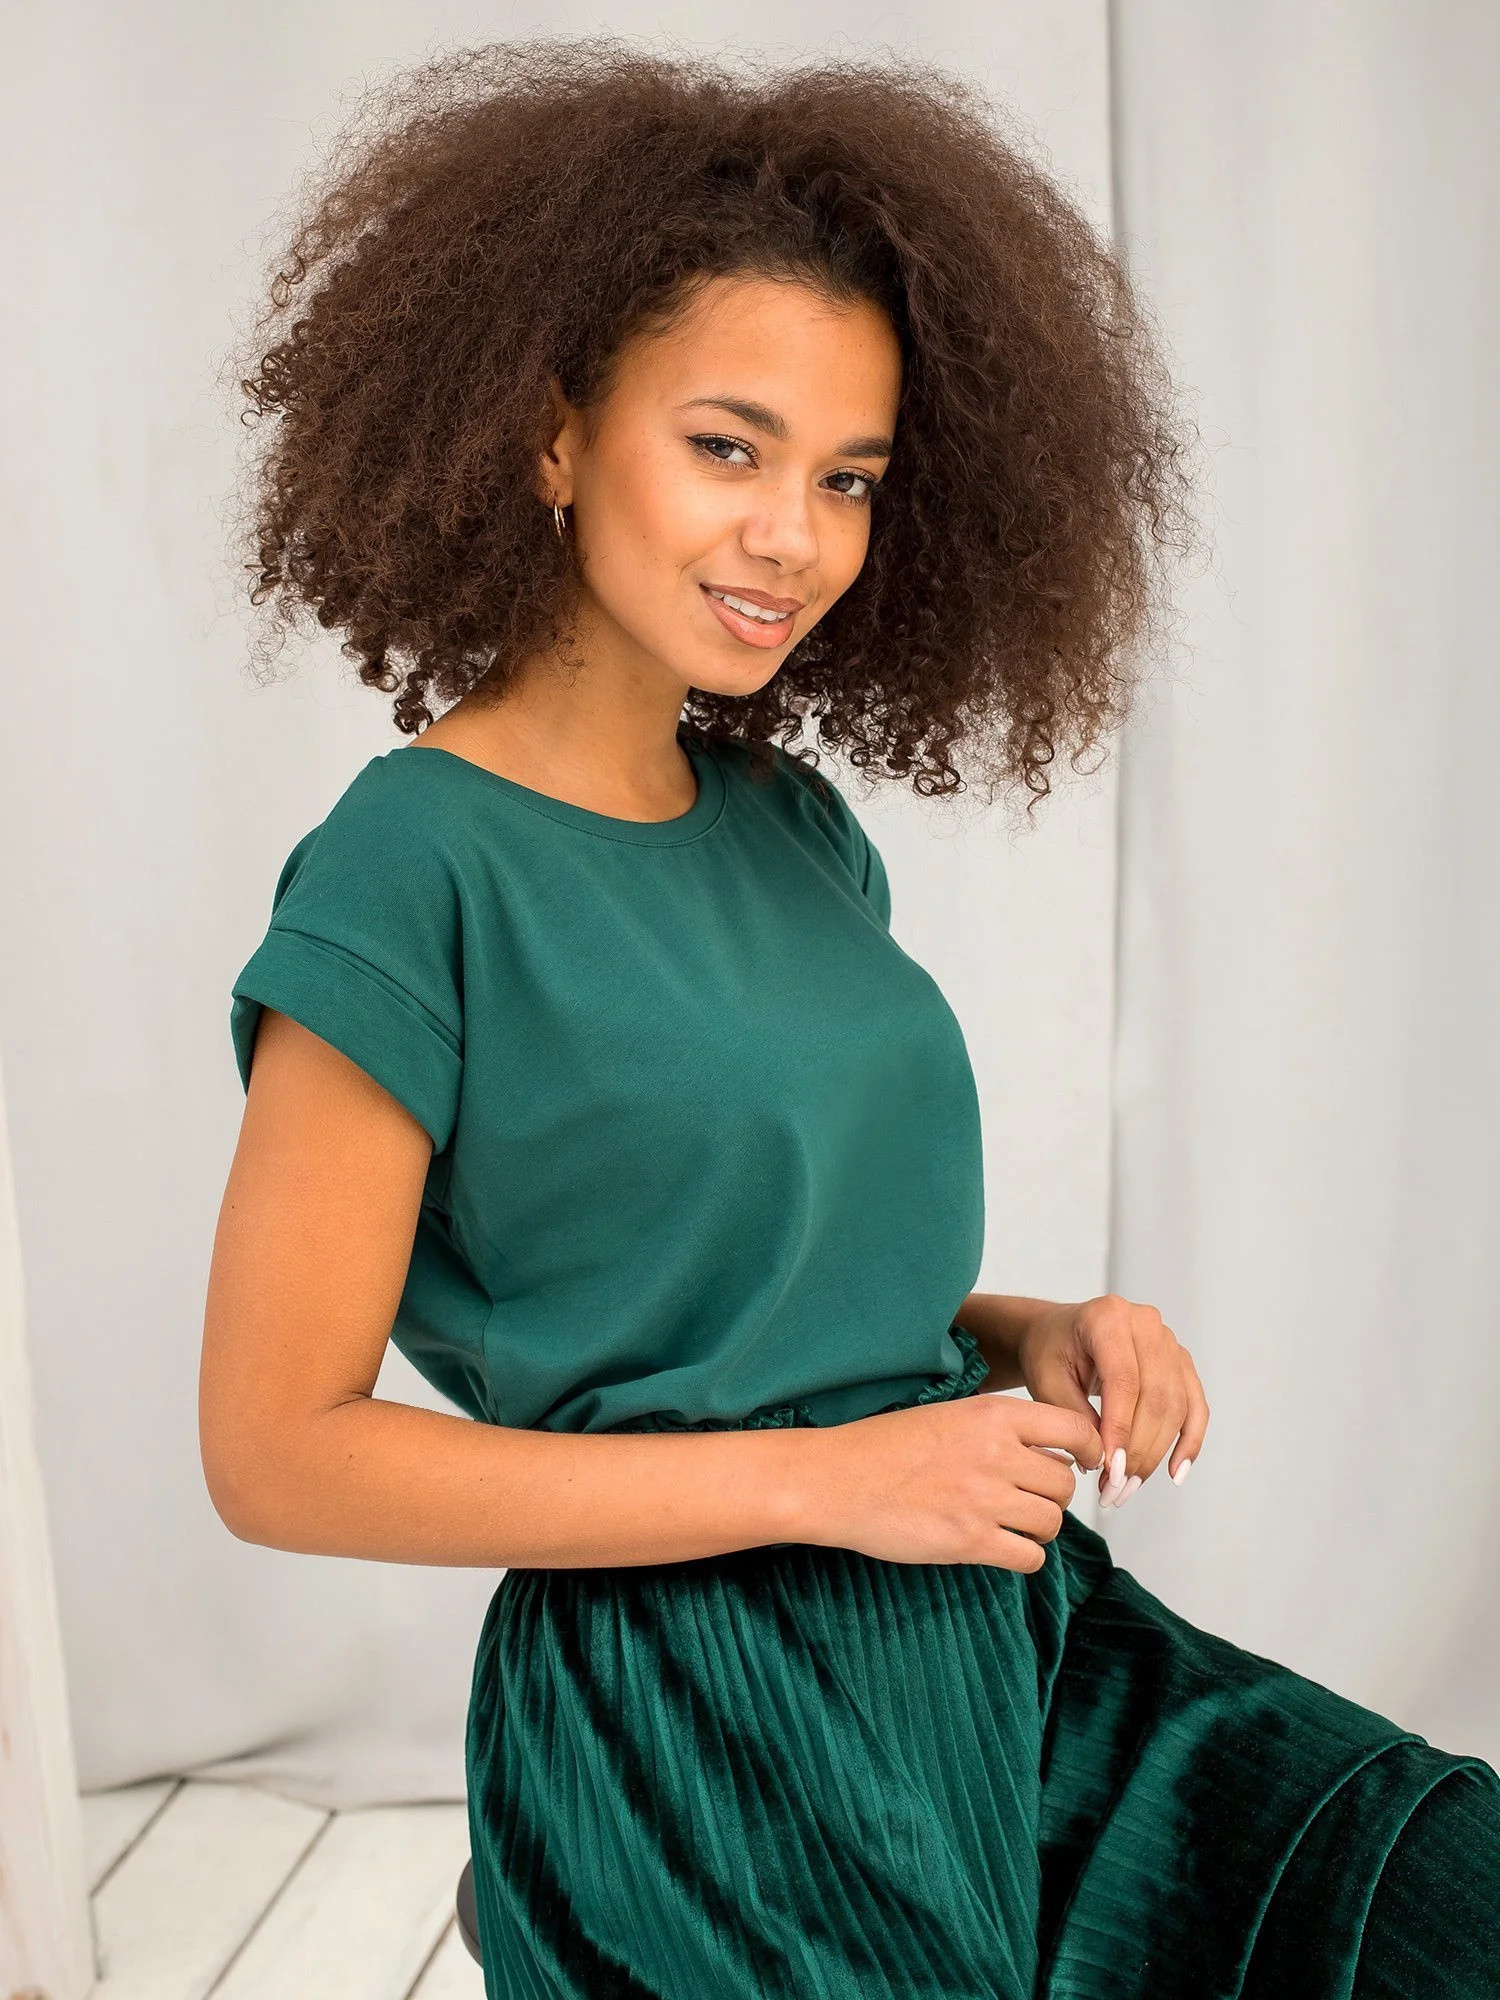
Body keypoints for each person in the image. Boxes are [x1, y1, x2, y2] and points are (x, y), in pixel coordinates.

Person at [201, 41, 1500, 1998]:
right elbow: (275, 1451)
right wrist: (831, 1483)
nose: (794, 537)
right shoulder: (415, 865)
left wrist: (1023, 1328)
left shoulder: (793, 830)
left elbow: (734, 1285)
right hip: (696, 1707)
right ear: (552, 437)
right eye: (728, 448)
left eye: (849, 478)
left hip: (1004, 1639)